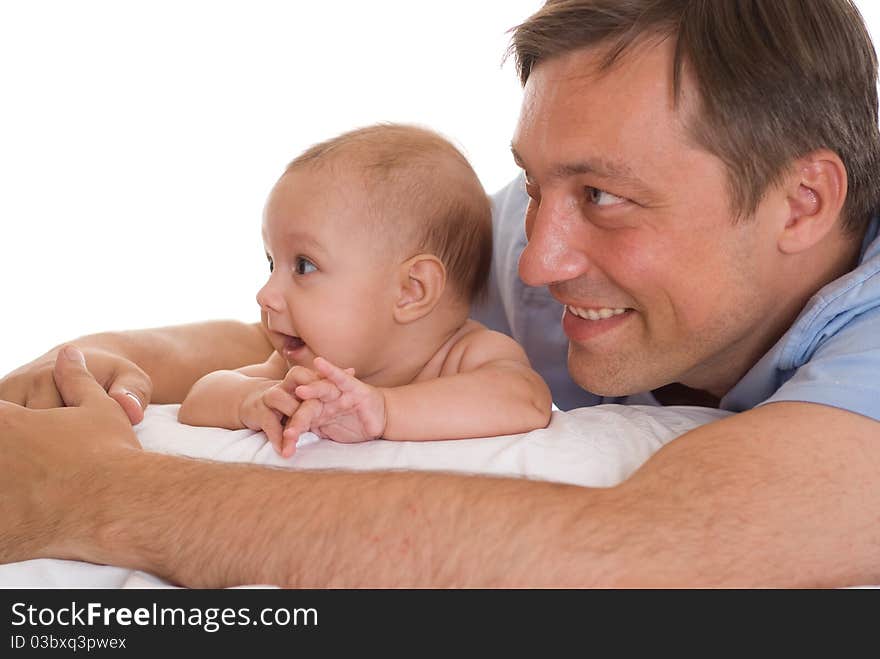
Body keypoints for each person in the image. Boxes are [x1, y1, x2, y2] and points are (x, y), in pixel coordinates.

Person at [2, 0, 880, 587]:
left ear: (801, 202)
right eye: (535, 186)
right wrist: (105, 364)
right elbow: (334, 342)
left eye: (602, 197)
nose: (536, 260)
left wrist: (93, 496)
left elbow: (637, 555)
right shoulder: (539, 243)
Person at [177, 124, 552, 457]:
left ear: (411, 290)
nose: (265, 294)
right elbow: (200, 397)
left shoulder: (464, 356)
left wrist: (384, 410)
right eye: (272, 263)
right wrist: (250, 400)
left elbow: (528, 400)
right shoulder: (298, 372)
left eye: (304, 266)